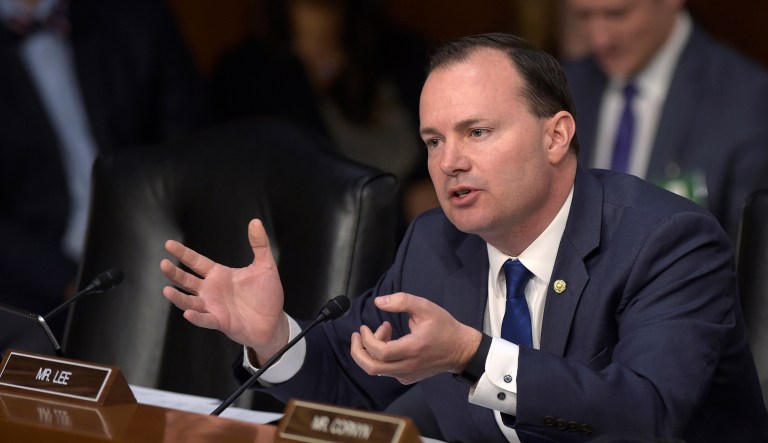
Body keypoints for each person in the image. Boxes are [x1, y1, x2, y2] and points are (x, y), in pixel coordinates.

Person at [160, 33, 767, 442]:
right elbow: (354, 386)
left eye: (476, 132)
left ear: (556, 136)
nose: (449, 162)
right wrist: (274, 337)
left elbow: (649, 416)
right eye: (433, 141)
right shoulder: (435, 242)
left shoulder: (667, 241)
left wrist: (472, 355)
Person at [0, 0, 209, 352]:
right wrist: (65, 278)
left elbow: (193, 146)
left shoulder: (132, 16)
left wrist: (160, 247)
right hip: (33, 282)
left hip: (154, 250)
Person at [561, 0, 768, 242]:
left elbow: (747, 255)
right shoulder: (562, 87)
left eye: (617, 14)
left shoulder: (747, 98)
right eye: (584, 17)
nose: (600, 40)